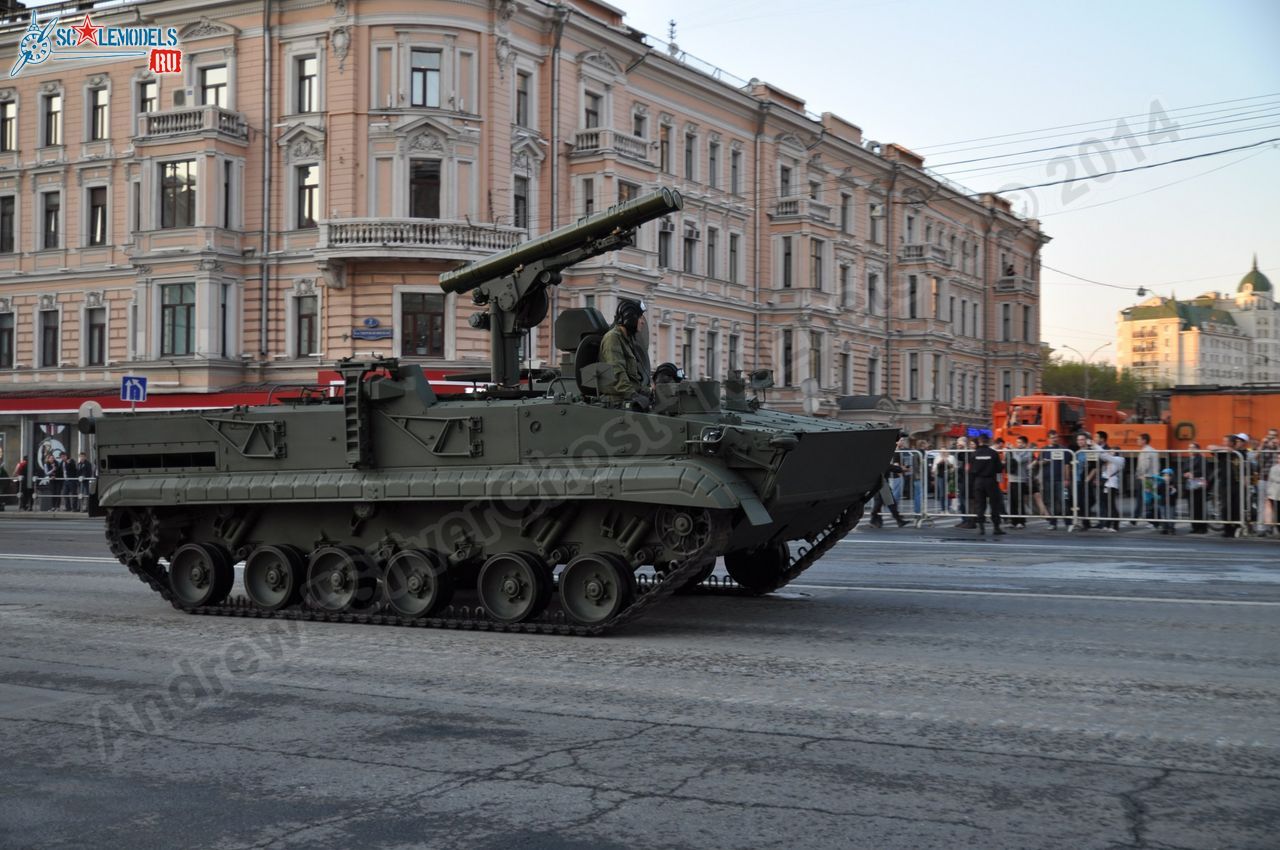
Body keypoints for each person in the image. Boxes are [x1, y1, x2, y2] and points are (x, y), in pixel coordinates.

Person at [599, 298, 651, 409]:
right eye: (640, 317)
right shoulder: (612, 338)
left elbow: (633, 378)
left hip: (627, 398)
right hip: (617, 403)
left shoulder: (627, 340)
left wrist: (648, 391)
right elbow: (617, 373)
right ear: (630, 317)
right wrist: (633, 395)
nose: (642, 322)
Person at [969, 434, 1005, 535]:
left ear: (979, 442)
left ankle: (981, 528)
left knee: (980, 504)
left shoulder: (974, 454)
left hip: (978, 481)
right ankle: (996, 528)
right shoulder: (993, 453)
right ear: (988, 441)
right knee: (994, 504)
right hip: (991, 481)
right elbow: (998, 468)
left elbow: (971, 470)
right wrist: (1003, 465)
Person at [1183, 441, 1211, 534]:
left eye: (1192, 447)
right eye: (1189, 447)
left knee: (1199, 507)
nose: (1190, 449)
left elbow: (1204, 471)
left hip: (1199, 486)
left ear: (1198, 449)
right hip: (1190, 486)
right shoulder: (1188, 459)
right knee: (1191, 507)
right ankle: (1194, 526)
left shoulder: (1201, 459)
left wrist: (1193, 474)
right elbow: (1183, 470)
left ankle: (1202, 527)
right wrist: (1185, 474)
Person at [1005, 435, 1033, 528]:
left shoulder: (1027, 452)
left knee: (1019, 501)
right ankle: (1013, 521)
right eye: (1017, 442)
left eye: (1020, 442)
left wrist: (1013, 450)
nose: (1018, 444)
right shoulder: (1015, 451)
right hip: (1011, 478)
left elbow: (1019, 460)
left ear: (1025, 444)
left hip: (1021, 479)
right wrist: (1008, 450)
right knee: (1012, 501)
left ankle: (1021, 521)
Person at [1265, 453, 1280, 537]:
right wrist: (1269, 493)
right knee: (1277, 512)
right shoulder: (1274, 468)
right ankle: (1277, 528)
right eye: (1278, 458)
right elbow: (1271, 480)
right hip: (1275, 494)